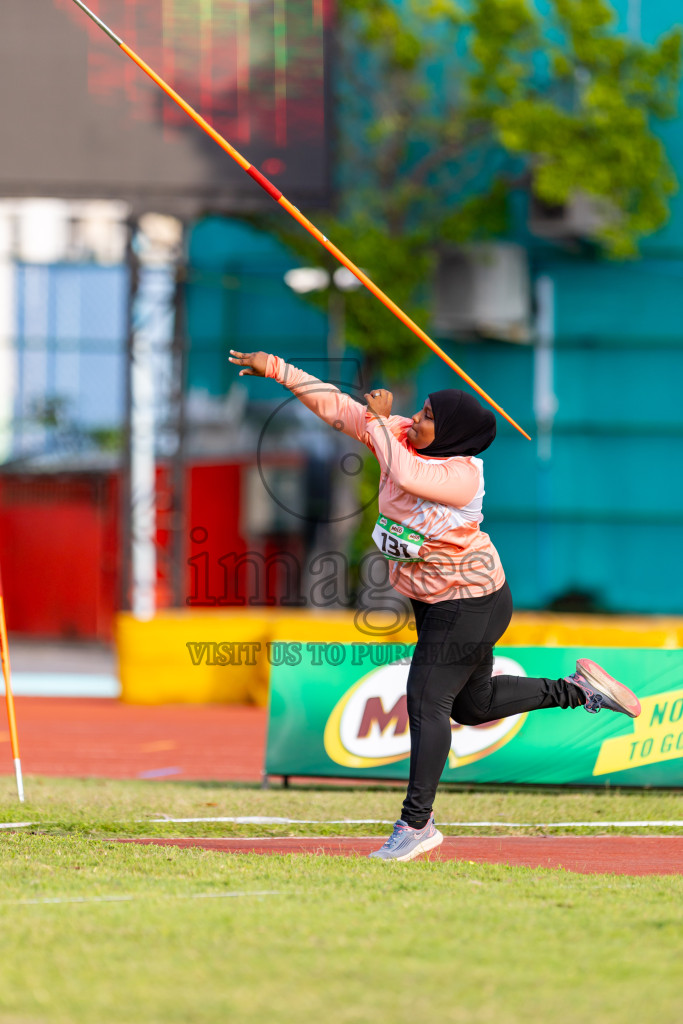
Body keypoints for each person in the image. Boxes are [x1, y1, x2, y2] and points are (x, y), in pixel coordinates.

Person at [229, 349, 641, 862]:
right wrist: (278, 368)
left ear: (451, 434)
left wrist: (379, 421)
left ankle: (416, 825)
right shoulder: (397, 432)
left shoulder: (462, 475)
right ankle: (577, 691)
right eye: (420, 411)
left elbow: (404, 476)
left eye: (427, 416)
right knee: (475, 705)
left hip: (472, 599)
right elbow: (338, 408)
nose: (416, 419)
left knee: (426, 700)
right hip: (433, 598)